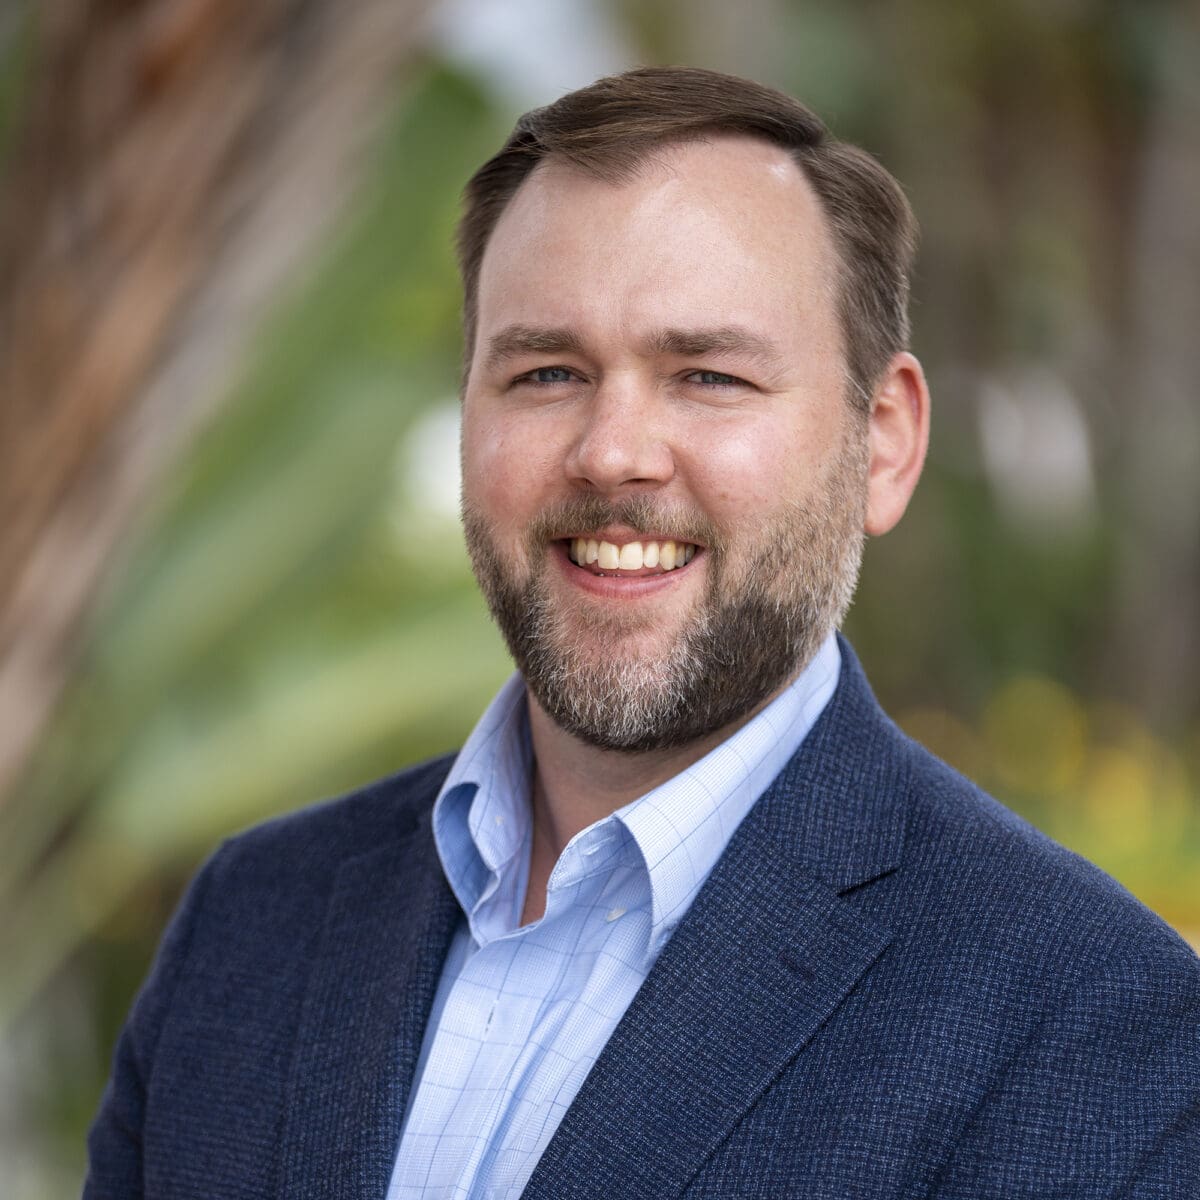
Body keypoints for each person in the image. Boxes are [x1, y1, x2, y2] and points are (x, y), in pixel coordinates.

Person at [85, 67, 1199, 1199]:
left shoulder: (1095, 1031)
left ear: (886, 441)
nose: (613, 452)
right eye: (547, 372)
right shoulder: (250, 922)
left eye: (708, 376)